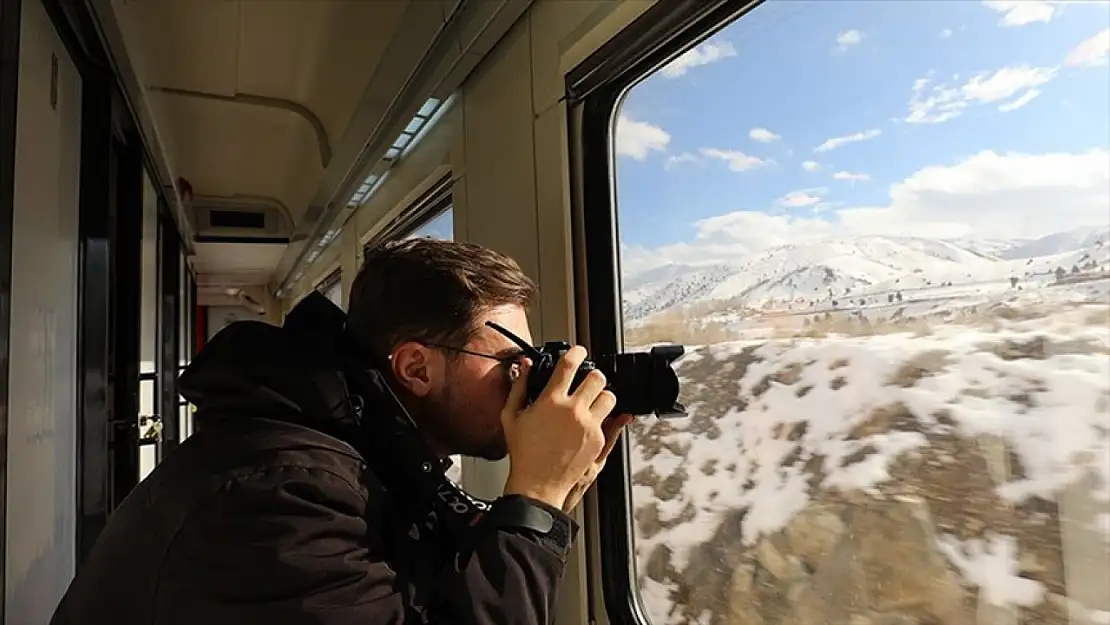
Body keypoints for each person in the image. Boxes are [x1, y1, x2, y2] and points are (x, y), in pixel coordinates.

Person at [49, 237, 634, 625]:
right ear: (414, 368)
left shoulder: (359, 454)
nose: (525, 380)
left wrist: (551, 494)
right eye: (511, 363)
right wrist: (535, 499)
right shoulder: (279, 493)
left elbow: (425, 587)